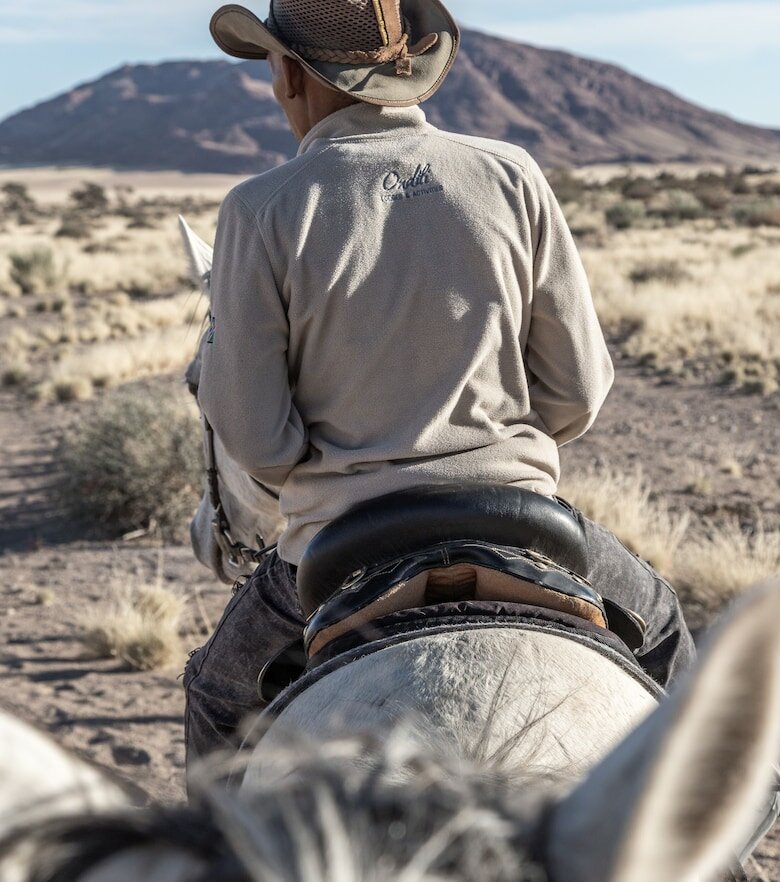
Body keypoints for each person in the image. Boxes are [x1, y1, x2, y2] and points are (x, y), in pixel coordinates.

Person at [185, 0, 695, 769]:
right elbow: (580, 392)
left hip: (336, 541)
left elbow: (256, 438)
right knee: (662, 634)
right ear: (408, 66)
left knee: (217, 697)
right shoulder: (510, 173)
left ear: (290, 73)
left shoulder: (260, 210)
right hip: (520, 519)